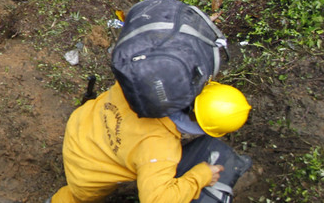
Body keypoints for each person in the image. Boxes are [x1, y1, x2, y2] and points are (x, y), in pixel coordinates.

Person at [50, 81, 252, 203]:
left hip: (80, 125)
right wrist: (200, 176)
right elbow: (157, 200)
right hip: (87, 175)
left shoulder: (146, 85)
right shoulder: (160, 149)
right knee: (78, 198)